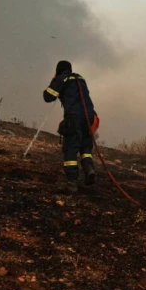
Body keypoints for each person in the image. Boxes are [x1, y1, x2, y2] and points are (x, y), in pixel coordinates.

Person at [42, 60, 99, 194]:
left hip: (74, 118)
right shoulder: (81, 79)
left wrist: (54, 80)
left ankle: (72, 183)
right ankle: (89, 169)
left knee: (70, 149)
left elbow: (48, 97)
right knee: (85, 147)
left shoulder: (62, 78)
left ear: (58, 70)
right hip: (89, 117)